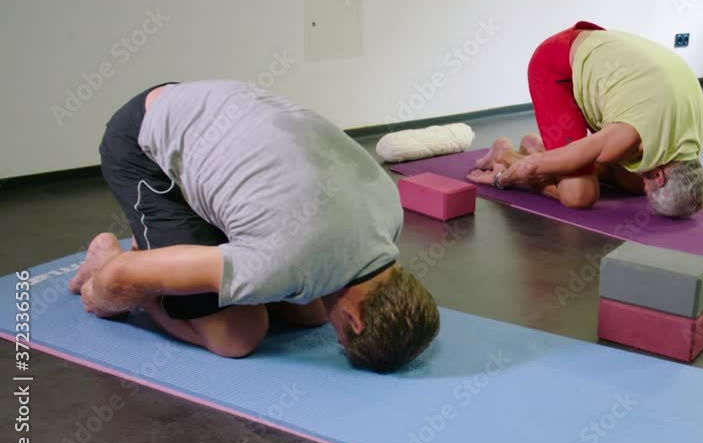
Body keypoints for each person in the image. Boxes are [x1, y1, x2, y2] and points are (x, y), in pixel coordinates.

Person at [69, 80, 439, 373]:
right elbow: (122, 277)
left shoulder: (390, 215)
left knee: (309, 312)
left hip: (212, 105)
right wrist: (101, 295)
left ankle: (161, 250)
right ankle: (112, 256)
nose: (335, 335)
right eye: (341, 338)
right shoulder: (280, 261)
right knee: (237, 335)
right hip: (145, 142)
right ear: (355, 320)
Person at [468, 21, 703, 218]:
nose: (647, 192)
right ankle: (504, 152)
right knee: (579, 195)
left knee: (634, 183)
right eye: (652, 192)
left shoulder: (695, 136)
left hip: (603, 55)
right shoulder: (626, 137)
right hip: (557, 65)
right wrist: (500, 180)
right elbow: (532, 167)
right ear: (660, 177)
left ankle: (538, 146)